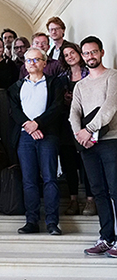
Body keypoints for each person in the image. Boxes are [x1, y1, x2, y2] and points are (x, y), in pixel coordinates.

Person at [70, 36, 117, 257]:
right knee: (98, 191)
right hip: (87, 145)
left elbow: (109, 109)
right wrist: (80, 135)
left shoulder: (113, 77)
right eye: (86, 53)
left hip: (110, 141)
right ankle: (106, 238)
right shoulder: (80, 85)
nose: (90, 56)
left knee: (115, 190)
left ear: (102, 52)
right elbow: (73, 114)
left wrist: (88, 130)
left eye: (94, 52)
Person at [8, 47, 63, 235]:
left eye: (36, 60)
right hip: (25, 137)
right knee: (29, 180)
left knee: (50, 179)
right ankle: (31, 221)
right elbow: (13, 110)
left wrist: (37, 124)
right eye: (29, 60)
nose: (32, 63)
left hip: (48, 136)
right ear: (25, 64)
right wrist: (28, 125)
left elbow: (56, 108)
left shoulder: (54, 83)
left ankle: (52, 222)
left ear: (44, 63)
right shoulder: (17, 86)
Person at [57, 42, 95, 216]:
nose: (70, 56)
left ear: (79, 53)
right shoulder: (61, 78)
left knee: (86, 163)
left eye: (72, 52)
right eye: (66, 55)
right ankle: (73, 200)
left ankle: (90, 200)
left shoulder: (90, 74)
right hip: (66, 126)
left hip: (88, 125)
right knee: (69, 163)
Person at [0, 36, 19, 166]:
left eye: (0, 46)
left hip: (5, 100)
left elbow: (14, 84)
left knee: (7, 135)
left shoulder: (10, 64)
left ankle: (13, 168)